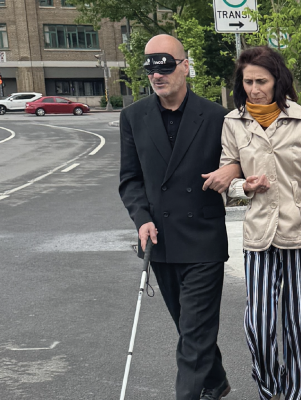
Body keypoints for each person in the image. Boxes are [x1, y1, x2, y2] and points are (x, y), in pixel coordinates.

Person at [118, 34, 239, 400]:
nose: (158, 74)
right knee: (189, 328)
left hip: (203, 239)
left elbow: (244, 157)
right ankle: (215, 382)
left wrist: (232, 169)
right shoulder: (133, 117)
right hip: (161, 240)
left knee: (195, 329)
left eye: (166, 65)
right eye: (150, 67)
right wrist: (141, 219)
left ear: (185, 67)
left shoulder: (218, 116)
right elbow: (130, 179)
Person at [220, 46, 301, 400]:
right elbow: (228, 179)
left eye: (262, 81)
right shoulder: (233, 123)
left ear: (278, 81)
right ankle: (271, 388)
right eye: (248, 81)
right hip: (258, 236)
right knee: (259, 324)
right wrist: (244, 185)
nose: (255, 88)